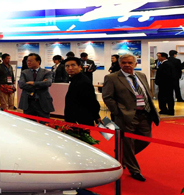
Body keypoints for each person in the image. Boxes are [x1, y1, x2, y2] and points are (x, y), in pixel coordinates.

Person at [102, 53, 159, 181]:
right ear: (120, 64)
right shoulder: (112, 78)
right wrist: (118, 112)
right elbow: (107, 97)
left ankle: (121, 157)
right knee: (127, 143)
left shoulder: (142, 75)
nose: (127, 65)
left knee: (146, 139)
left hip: (145, 114)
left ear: (135, 64)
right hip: (125, 116)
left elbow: (147, 94)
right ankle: (135, 170)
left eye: (129, 63)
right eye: (124, 63)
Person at [63, 57, 101, 127]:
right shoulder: (75, 79)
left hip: (81, 119)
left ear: (80, 67)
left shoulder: (83, 81)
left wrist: (96, 116)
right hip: (75, 118)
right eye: (67, 66)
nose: (70, 68)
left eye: (73, 65)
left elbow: (91, 101)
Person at [18, 53, 54, 119]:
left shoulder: (46, 72)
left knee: (44, 124)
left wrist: (33, 83)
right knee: (29, 124)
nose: (28, 62)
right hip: (28, 102)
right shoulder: (24, 72)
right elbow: (21, 85)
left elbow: (48, 83)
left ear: (38, 61)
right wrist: (41, 84)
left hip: (42, 102)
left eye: (30, 61)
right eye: (27, 61)